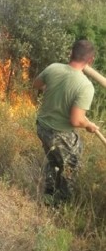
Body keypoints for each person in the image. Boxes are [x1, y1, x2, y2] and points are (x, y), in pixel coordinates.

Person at [34, 39, 99, 206]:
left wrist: (52, 90)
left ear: (71, 53)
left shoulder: (53, 68)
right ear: (90, 61)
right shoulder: (85, 86)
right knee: (71, 164)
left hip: (42, 127)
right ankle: (61, 204)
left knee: (54, 160)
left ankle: (48, 194)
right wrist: (89, 125)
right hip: (58, 133)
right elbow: (76, 120)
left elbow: (37, 84)